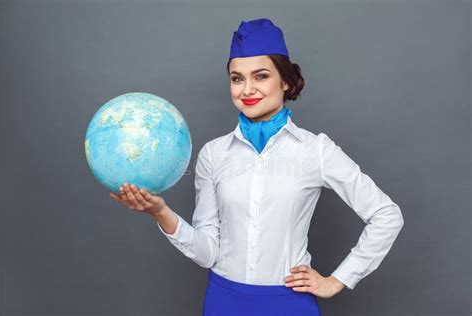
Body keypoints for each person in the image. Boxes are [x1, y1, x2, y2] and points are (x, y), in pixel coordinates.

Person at [110, 18, 404, 316]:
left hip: (289, 304)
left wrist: (338, 280)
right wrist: (161, 212)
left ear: (285, 81)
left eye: (261, 76)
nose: (247, 89)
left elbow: (387, 216)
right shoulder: (214, 154)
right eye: (237, 78)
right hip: (224, 301)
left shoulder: (316, 150)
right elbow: (208, 251)